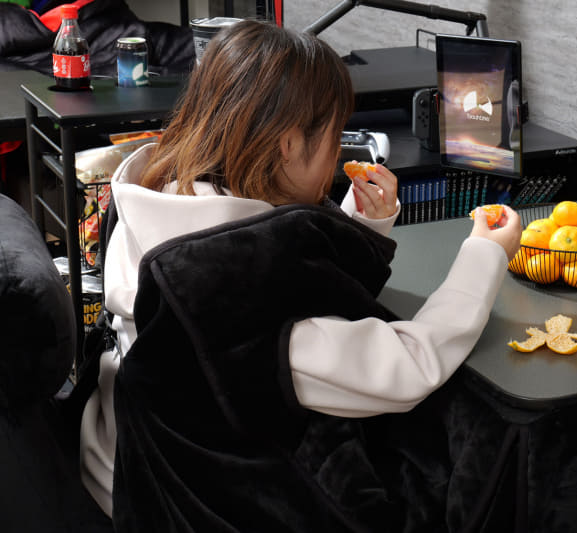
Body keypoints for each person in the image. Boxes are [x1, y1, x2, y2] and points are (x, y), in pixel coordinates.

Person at [79, 18, 522, 532]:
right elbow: (406, 368)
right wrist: (484, 254)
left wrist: (359, 224)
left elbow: (300, 286)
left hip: (117, 455)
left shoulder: (152, 200)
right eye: (335, 138)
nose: (336, 159)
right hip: (201, 503)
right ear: (289, 144)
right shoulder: (229, 288)